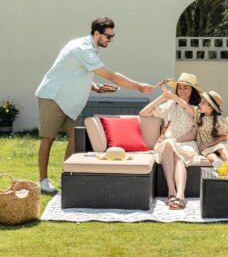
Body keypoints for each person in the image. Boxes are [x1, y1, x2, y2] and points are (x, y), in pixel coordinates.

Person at [35, 17, 155, 193]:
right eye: (108, 36)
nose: (110, 40)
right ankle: (43, 181)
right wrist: (138, 86)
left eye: (113, 36)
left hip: (72, 101)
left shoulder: (91, 47)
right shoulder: (83, 49)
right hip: (53, 96)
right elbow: (111, 76)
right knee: (48, 139)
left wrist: (96, 88)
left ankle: (65, 177)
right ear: (96, 33)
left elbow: (76, 72)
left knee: (75, 138)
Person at [139, 73, 202, 210]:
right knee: (169, 145)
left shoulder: (198, 107)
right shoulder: (169, 105)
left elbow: (193, 118)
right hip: (168, 144)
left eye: (186, 88)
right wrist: (162, 98)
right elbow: (143, 113)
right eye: (180, 88)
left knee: (175, 151)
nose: (182, 91)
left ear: (193, 90)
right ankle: (174, 192)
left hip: (187, 143)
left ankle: (177, 194)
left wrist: (175, 98)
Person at [196, 91, 228, 167]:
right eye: (200, 102)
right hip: (205, 144)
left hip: (219, 142)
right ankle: (217, 163)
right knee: (207, 153)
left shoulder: (219, 120)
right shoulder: (199, 117)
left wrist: (210, 144)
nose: (199, 104)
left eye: (203, 103)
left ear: (211, 108)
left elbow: (224, 136)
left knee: (221, 147)